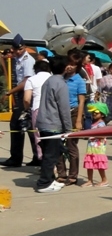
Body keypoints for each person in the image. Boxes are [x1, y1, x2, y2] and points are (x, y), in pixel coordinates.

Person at [34, 56, 72, 193]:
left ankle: (50, 180)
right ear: (65, 68)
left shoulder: (49, 81)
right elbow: (64, 109)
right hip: (53, 124)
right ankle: (44, 183)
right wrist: (68, 129)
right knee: (51, 155)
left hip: (44, 121)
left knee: (50, 154)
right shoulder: (60, 84)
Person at [2, 35, 40, 168]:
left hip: (26, 94)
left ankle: (16, 158)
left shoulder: (27, 60)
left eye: (21, 49)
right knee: (29, 126)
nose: (18, 51)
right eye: (16, 49)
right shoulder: (17, 58)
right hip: (21, 93)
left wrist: (9, 92)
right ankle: (37, 156)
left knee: (16, 124)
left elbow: (26, 81)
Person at [56, 56, 86, 185]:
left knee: (71, 145)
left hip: (73, 113)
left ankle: (73, 175)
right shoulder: (60, 78)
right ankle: (61, 173)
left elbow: (81, 101)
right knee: (57, 144)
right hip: (59, 113)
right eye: (68, 63)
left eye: (73, 65)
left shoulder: (79, 80)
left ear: (77, 67)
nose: (70, 66)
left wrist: (79, 120)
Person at [82, 102, 110, 187]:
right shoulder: (93, 124)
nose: (94, 114)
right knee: (89, 164)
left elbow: (103, 135)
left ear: (102, 114)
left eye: (96, 112)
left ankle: (104, 180)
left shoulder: (101, 124)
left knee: (99, 165)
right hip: (91, 148)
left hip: (99, 148)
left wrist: (93, 136)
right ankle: (89, 180)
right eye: (93, 112)